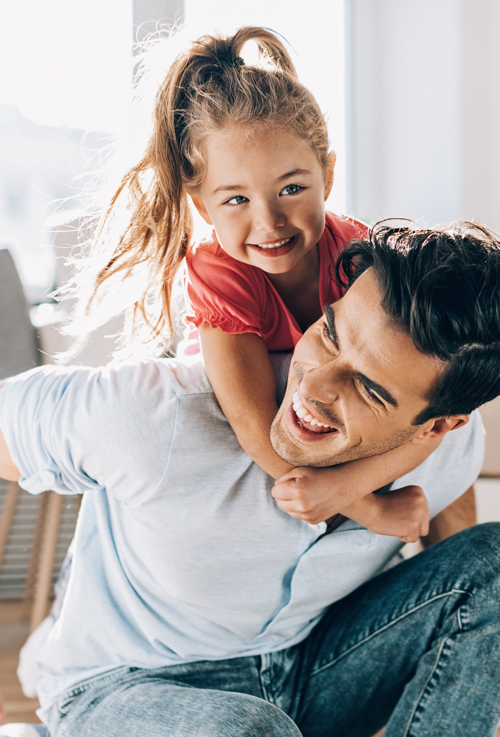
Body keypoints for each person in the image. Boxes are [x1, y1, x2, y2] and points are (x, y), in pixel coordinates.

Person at [0, 222, 500, 737]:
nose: (316, 386)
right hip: (121, 693)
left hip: (303, 677)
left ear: (438, 425)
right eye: (330, 333)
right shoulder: (156, 415)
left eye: (369, 389)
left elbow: (458, 509)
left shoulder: (451, 445)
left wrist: (479, 655)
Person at [70, 27, 436, 543]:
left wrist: (356, 482)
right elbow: (257, 429)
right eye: (236, 200)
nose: (269, 222)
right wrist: (368, 508)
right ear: (202, 206)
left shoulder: (359, 254)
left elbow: (427, 397)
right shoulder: (218, 270)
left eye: (292, 188)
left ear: (327, 177)